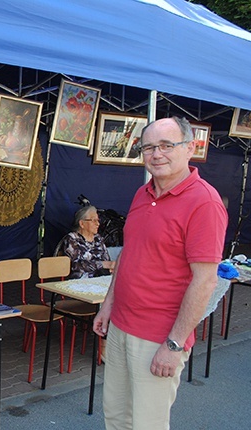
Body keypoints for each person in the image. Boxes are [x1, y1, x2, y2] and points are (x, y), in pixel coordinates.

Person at [92, 117, 227, 429]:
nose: (157, 154)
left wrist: (174, 345)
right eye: (149, 147)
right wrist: (108, 305)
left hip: (158, 336)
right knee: (116, 416)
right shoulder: (143, 193)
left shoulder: (204, 203)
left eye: (167, 145)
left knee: (146, 423)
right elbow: (129, 254)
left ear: (190, 148)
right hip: (122, 326)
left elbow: (205, 280)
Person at [60, 205, 115, 279]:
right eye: (94, 220)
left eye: (98, 220)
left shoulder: (98, 238)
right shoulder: (72, 239)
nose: (98, 224)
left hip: (99, 279)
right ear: (82, 224)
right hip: (79, 282)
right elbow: (75, 265)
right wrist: (102, 265)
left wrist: (110, 267)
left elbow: (106, 260)